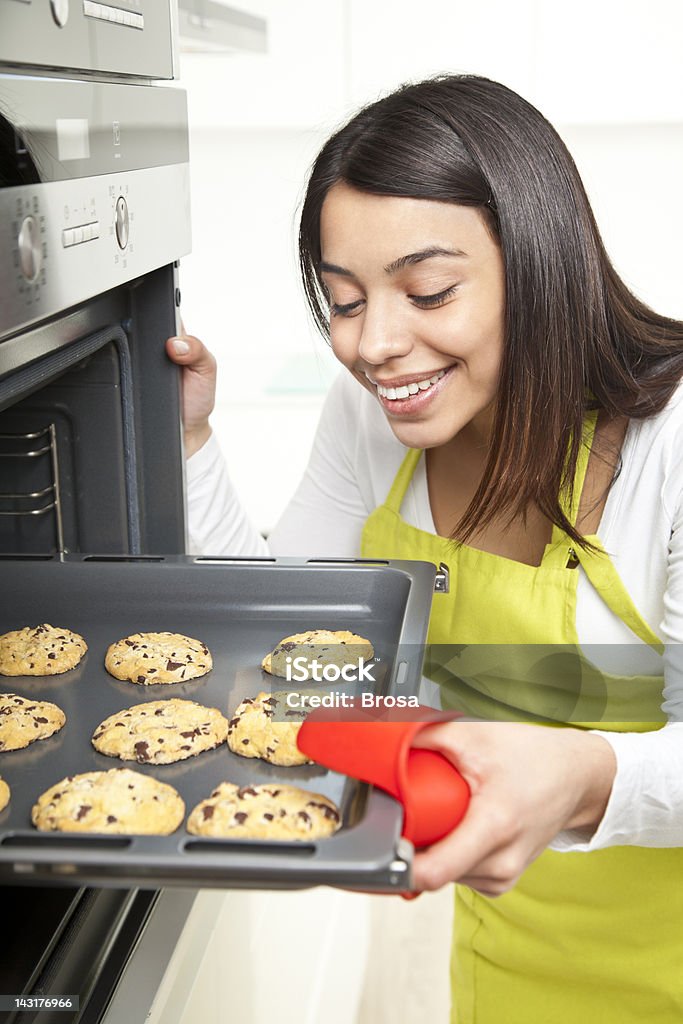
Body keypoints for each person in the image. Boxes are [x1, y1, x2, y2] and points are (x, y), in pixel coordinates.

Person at [167, 75, 683, 1023]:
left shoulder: (670, 445)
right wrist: (191, 443)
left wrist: (583, 774)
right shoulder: (371, 420)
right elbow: (288, 641)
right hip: (508, 953)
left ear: (537, 261)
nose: (375, 345)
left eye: (427, 291)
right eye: (345, 301)